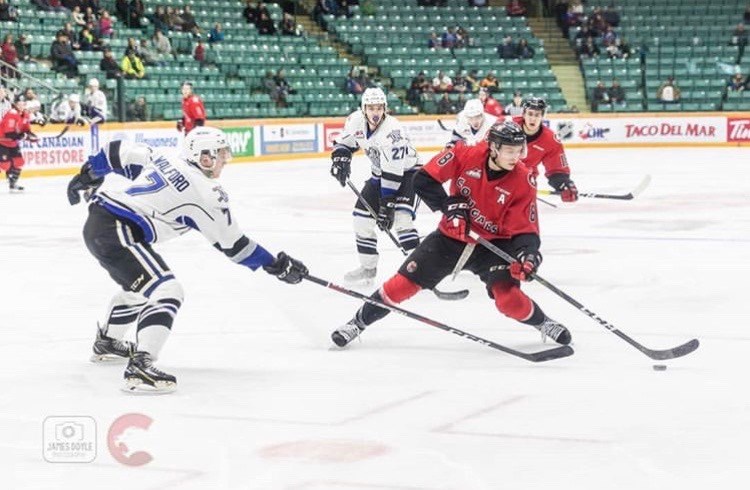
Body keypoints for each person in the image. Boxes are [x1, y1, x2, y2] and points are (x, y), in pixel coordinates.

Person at [65, 127, 309, 393]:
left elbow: (116, 152)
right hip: (117, 228)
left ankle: (109, 343)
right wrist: (275, 264)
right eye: (220, 154)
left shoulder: (163, 157)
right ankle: (141, 366)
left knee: (140, 289)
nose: (225, 160)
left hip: (103, 222)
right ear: (204, 156)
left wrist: (88, 174)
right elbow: (234, 245)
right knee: (168, 290)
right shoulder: (206, 193)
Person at [330, 121, 571, 347]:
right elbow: (422, 179)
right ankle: (357, 323)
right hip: (450, 238)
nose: (516, 157)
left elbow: (525, 228)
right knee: (400, 285)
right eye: (510, 151)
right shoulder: (463, 154)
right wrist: (449, 205)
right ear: (493, 147)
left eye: (520, 151)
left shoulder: (523, 178)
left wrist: (528, 256)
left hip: (495, 245)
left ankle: (543, 322)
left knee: (509, 300)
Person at [329, 87, 421, 285]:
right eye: (371, 108)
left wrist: (386, 206)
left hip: (408, 175)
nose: (375, 112)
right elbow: (346, 143)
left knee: (402, 220)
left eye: (379, 107)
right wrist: (340, 158)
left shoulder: (393, 131)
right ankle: (368, 268)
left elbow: (394, 172)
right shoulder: (355, 121)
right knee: (361, 221)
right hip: (380, 175)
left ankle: (422, 270)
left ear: (385, 108)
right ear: (364, 109)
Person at [512, 97, 578, 202]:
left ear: (543, 116)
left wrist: (563, 184)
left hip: (524, 180)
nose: (533, 119)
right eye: (530, 114)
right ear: (523, 114)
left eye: (537, 115)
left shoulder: (550, 140)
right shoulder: (506, 127)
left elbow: (557, 170)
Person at [0, 95, 32, 192]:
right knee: (5, 165)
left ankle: (13, 184)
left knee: (19, 162)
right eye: (19, 104)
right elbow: (9, 133)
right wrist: (22, 136)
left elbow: (26, 129)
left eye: (23, 103)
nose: (21, 105)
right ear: (15, 104)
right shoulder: (11, 114)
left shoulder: (26, 114)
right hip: (2, 141)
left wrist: (31, 136)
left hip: (13, 143)